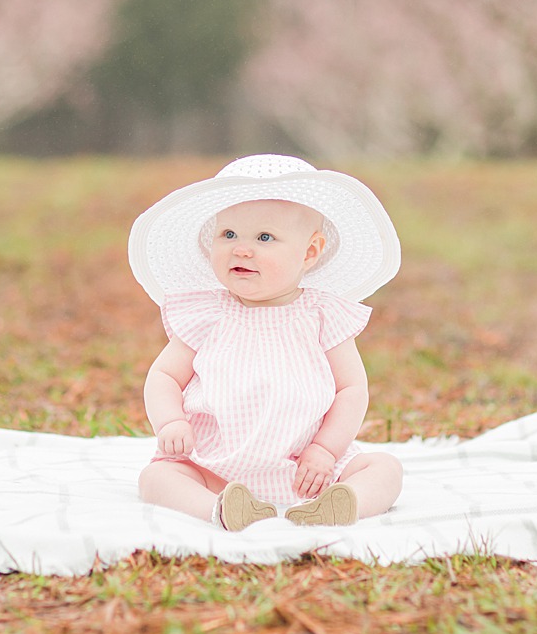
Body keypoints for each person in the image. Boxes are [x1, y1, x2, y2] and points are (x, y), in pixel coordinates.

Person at [129, 154, 405, 530]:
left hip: (306, 467)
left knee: (385, 469)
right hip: (216, 466)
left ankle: (341, 505)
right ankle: (222, 509)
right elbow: (164, 375)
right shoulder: (207, 314)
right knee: (157, 477)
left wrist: (325, 450)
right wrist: (170, 422)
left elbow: (351, 388)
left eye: (264, 238)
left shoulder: (322, 314)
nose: (241, 249)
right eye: (228, 235)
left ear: (309, 252)